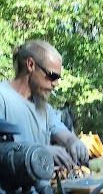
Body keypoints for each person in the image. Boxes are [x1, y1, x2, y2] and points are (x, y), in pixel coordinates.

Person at [0, 39, 89, 170]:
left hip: (43, 190)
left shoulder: (44, 108)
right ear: (31, 65)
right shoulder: (3, 97)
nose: (56, 83)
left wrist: (74, 142)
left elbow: (62, 133)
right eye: (52, 76)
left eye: (58, 78)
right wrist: (41, 152)